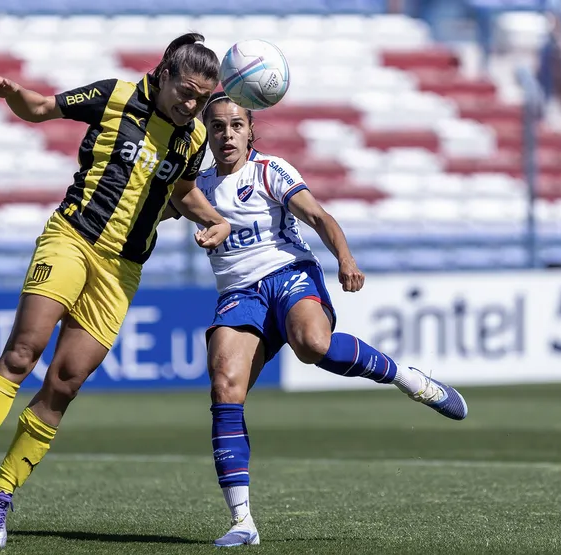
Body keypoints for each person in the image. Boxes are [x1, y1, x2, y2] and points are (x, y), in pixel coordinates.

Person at [0, 33, 230, 549]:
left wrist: (216, 220)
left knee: (66, 382)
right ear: (163, 74)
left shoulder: (194, 139)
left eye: (202, 100)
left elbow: (180, 190)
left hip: (122, 272)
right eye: (186, 92)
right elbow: (45, 107)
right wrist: (13, 92)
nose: (192, 105)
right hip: (72, 238)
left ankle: (1, 491)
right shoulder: (116, 96)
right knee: (23, 352)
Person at [161, 92, 468, 548]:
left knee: (312, 345)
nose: (227, 134)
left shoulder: (270, 170)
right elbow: (147, 216)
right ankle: (242, 521)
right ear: (207, 134)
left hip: (287, 274)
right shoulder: (196, 186)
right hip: (238, 294)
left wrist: (344, 258)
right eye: (218, 127)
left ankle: (408, 378)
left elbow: (319, 216)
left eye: (236, 125)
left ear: (251, 131)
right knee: (226, 388)